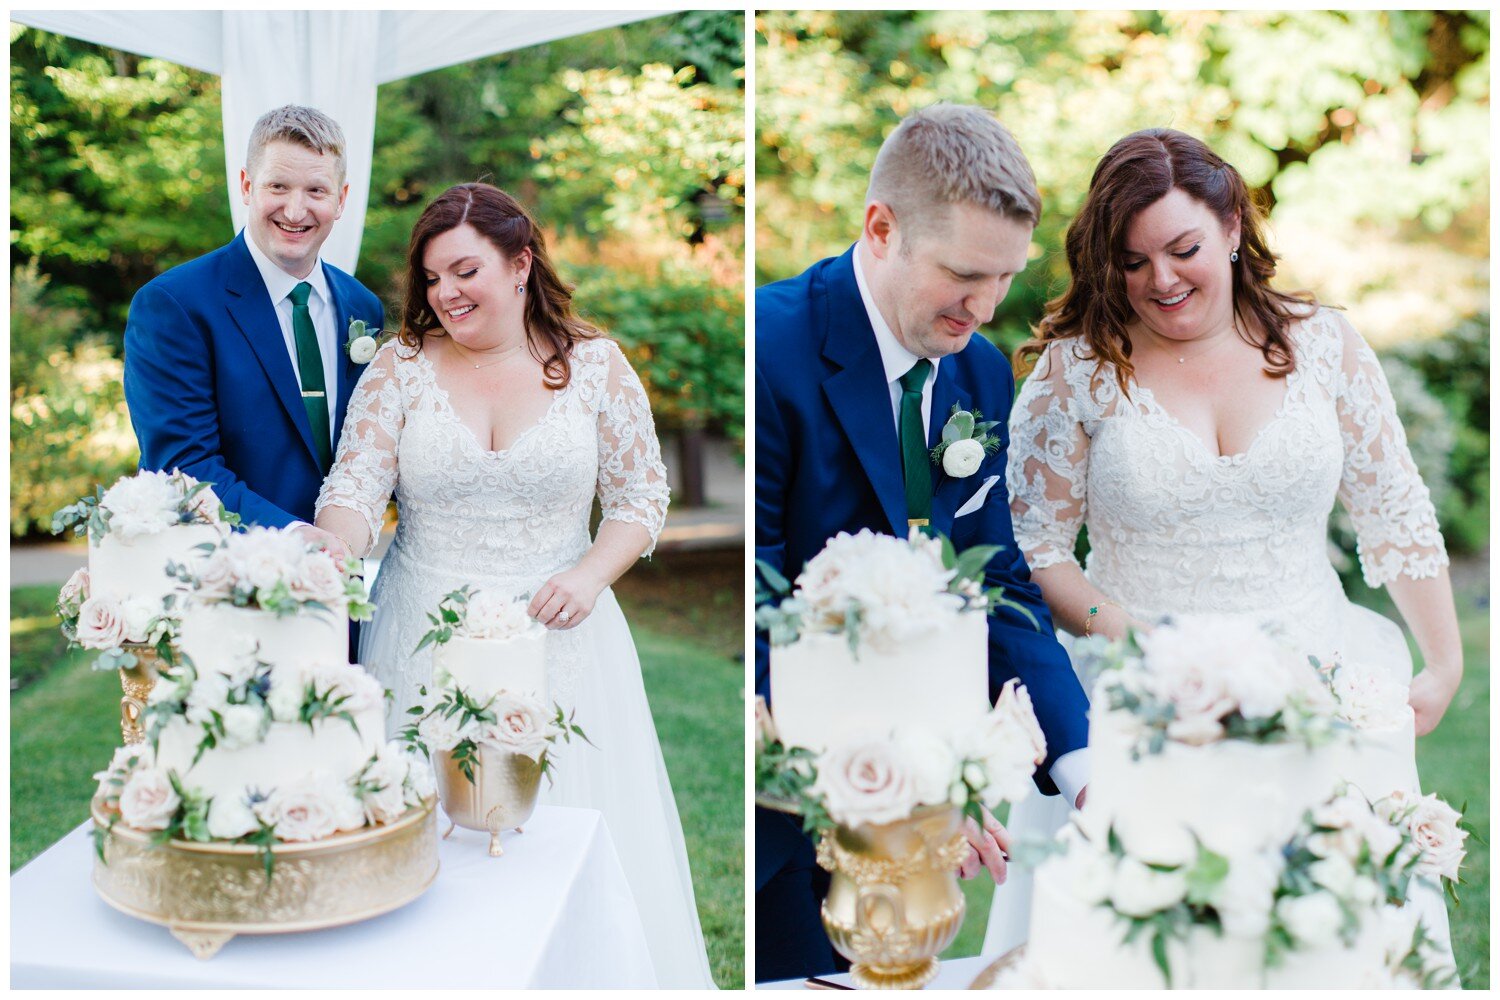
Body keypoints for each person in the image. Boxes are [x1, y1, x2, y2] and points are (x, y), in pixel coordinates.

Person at [986, 127, 1461, 962]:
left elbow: (1396, 511)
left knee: (1326, 943)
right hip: (1139, 692)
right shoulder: (1078, 370)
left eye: (1182, 249)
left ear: (1234, 227)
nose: (1160, 280)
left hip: (1318, 679)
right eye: (1133, 262)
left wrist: (1444, 661)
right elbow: (1037, 549)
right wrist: (1130, 636)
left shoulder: (1325, 347)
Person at [313, 182, 713, 988]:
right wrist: (331, 551)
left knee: (555, 848)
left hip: (558, 638)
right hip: (419, 638)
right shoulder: (401, 368)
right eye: (430, 279)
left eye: (464, 271)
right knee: (424, 851)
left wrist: (592, 573)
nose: (445, 294)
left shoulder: (595, 365)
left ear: (521, 263)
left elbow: (640, 499)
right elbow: (354, 489)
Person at [754, 104, 1091, 983]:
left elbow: (1001, 584)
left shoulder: (977, 369)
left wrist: (1088, 770)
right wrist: (905, 783)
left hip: (924, 828)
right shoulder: (773, 347)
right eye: (964, 274)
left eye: (1006, 277)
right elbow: (756, 607)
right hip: (784, 813)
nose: (984, 308)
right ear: (881, 228)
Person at [124, 104, 380, 555]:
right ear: (246, 185)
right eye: (278, 186)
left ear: (341, 200)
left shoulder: (363, 306)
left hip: (344, 588)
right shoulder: (174, 305)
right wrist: (295, 538)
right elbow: (183, 468)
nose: (295, 209)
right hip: (228, 587)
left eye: (316, 190)